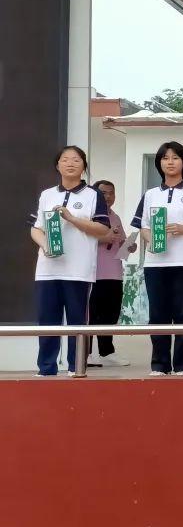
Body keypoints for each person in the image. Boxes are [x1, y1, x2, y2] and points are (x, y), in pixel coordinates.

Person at [131, 141, 183, 376]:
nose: (170, 162)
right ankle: (159, 365)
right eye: (165, 158)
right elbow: (142, 227)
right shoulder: (150, 195)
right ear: (159, 163)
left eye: (175, 158)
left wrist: (182, 229)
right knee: (158, 314)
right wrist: (152, 240)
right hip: (155, 263)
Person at [30, 146, 110, 377]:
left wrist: (72, 218)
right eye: (65, 160)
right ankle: (46, 368)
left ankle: (76, 367)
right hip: (48, 269)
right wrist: (45, 245)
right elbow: (36, 228)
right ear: (57, 166)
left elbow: (102, 228)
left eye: (76, 160)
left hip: (78, 269)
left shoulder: (93, 195)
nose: (70, 164)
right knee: (47, 321)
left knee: (77, 321)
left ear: (84, 166)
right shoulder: (47, 194)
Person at [87, 179, 134, 368]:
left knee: (110, 315)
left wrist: (129, 246)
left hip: (114, 273)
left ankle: (106, 352)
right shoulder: (89, 215)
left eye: (111, 193)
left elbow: (121, 243)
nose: (107, 197)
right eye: (103, 193)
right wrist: (103, 238)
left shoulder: (115, 217)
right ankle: (86, 353)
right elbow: (82, 240)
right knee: (92, 315)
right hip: (93, 273)